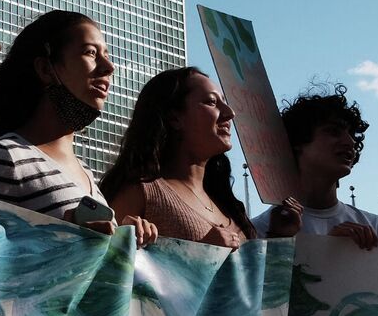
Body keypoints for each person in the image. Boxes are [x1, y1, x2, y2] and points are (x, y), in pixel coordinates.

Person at [0, 10, 155, 243]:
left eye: (106, 54)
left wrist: (124, 239)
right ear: (45, 69)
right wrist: (60, 241)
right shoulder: (5, 157)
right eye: (90, 53)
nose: (108, 67)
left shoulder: (86, 173)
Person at [103, 67, 263, 248]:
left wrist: (279, 233)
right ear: (174, 118)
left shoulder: (229, 206)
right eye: (211, 102)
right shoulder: (142, 193)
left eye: (224, 102)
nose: (229, 112)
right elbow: (107, 268)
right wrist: (203, 253)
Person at [250, 83, 378, 247]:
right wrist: (325, 251)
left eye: (351, 135)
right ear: (298, 141)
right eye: (333, 132)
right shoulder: (259, 232)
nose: (350, 142)